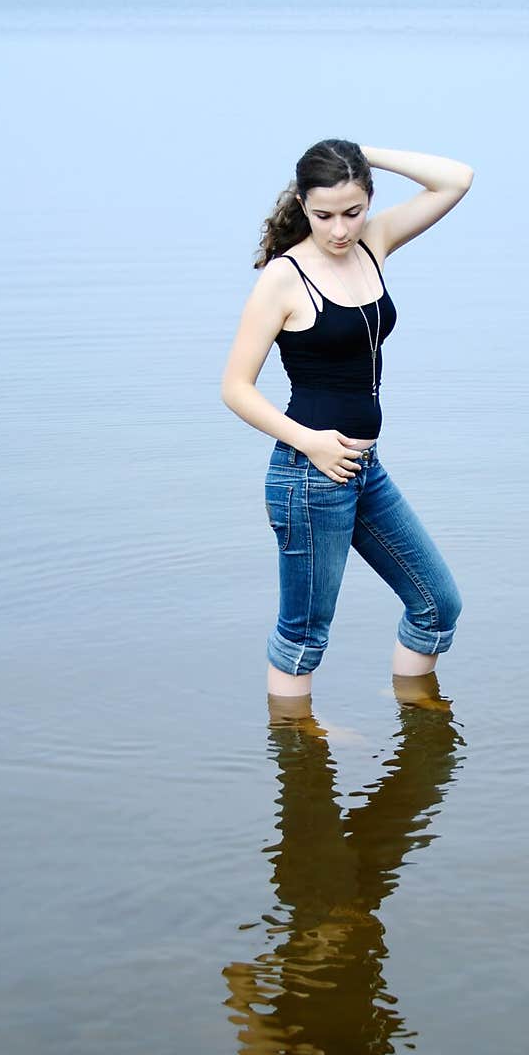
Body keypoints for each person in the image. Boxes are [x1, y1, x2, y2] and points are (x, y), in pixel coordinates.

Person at [221, 139, 473, 698]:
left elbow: (456, 179)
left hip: (365, 469)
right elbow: (235, 388)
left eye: (352, 212)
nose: (339, 230)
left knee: (437, 606)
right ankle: (298, 741)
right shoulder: (285, 278)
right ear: (303, 205)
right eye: (324, 215)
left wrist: (364, 152)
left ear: (368, 201)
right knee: (304, 636)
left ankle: (418, 716)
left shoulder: (374, 242)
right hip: (308, 474)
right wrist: (310, 442)